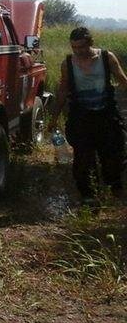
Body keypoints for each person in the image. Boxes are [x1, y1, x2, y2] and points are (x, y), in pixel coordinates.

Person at [53, 27, 127, 200]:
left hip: (106, 115)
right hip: (81, 117)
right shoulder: (68, 63)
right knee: (83, 160)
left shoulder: (106, 58)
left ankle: (114, 190)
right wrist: (55, 116)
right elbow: (63, 90)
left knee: (113, 156)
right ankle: (89, 198)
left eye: (82, 47)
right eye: (74, 48)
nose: (78, 51)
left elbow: (122, 80)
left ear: (90, 43)